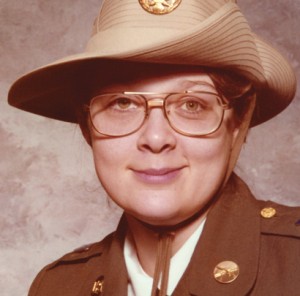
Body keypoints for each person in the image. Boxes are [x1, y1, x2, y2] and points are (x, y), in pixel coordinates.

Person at [8, 0, 300, 295]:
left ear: (237, 124)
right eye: (122, 103)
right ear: (87, 128)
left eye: (191, 104)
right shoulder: (57, 287)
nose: (157, 138)